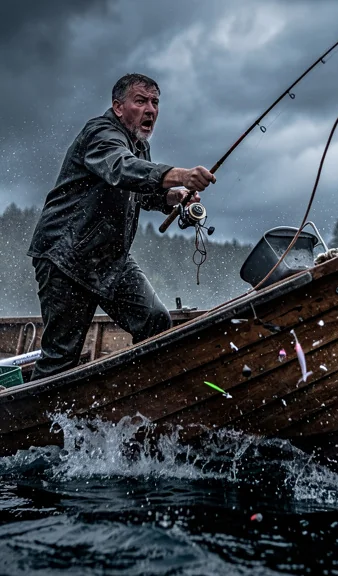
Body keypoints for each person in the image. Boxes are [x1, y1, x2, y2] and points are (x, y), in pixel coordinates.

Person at [26, 73, 216, 381]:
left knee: (155, 321)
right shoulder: (100, 134)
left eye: (155, 102)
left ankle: (140, 397)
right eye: (140, 101)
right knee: (61, 358)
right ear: (118, 107)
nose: (150, 109)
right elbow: (120, 168)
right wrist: (180, 174)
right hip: (65, 259)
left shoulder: (139, 146)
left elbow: (141, 190)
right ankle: (31, 423)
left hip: (111, 260)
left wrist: (174, 196)